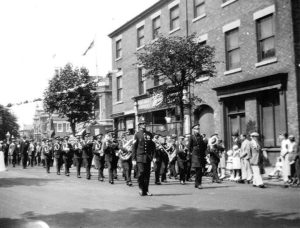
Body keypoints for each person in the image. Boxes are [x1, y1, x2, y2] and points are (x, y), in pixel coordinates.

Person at [132, 120, 155, 196]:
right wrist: (133, 159)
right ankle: (141, 189)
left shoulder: (149, 134)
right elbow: (134, 147)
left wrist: (153, 157)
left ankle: (146, 190)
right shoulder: (137, 135)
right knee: (141, 173)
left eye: (145, 123)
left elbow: (153, 147)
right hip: (140, 157)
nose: (144, 125)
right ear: (139, 125)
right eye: (142, 124)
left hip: (148, 157)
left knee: (147, 174)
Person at [188, 124, 207, 189]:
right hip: (195, 154)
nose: (197, 130)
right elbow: (189, 147)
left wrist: (204, 141)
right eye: (196, 128)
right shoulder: (192, 137)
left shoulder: (201, 137)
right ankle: (199, 183)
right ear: (193, 130)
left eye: (198, 128)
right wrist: (191, 154)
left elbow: (204, 147)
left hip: (201, 154)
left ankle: (197, 183)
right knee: (198, 169)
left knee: (199, 170)